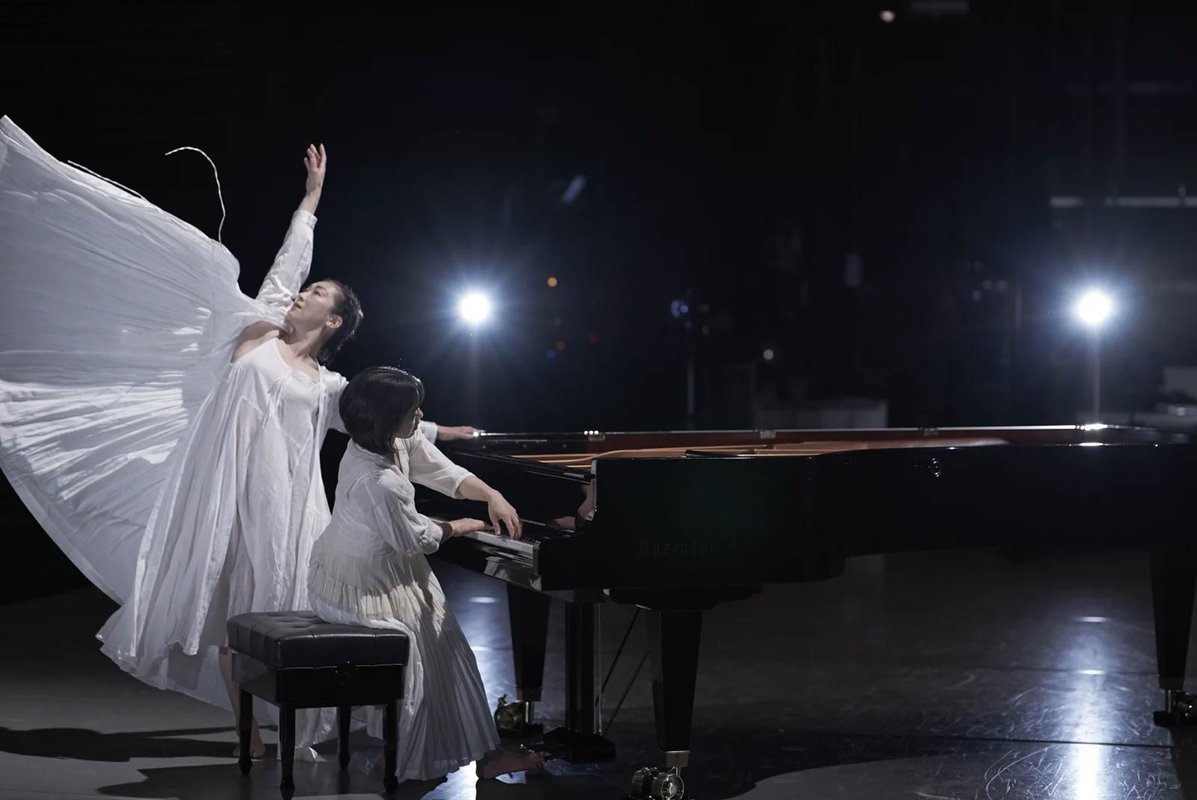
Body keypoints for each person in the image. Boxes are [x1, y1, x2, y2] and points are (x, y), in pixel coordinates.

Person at [0, 119, 473, 758]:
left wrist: (438, 430)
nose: (301, 295)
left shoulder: (328, 386)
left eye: (315, 295)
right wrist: (309, 202)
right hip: (227, 500)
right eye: (305, 290)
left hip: (290, 512)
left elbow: (376, 420)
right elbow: (283, 271)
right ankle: (248, 730)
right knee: (234, 621)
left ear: (334, 320)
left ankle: (306, 723)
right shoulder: (256, 335)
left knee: (294, 613)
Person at [307, 366, 544, 780]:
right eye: (412, 410)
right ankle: (427, 754)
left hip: (372, 567)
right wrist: (460, 526)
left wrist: (491, 495)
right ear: (386, 418)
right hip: (360, 585)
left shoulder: (389, 441)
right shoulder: (378, 480)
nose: (420, 415)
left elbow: (442, 470)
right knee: (438, 653)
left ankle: (484, 755)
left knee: (449, 646)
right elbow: (417, 540)